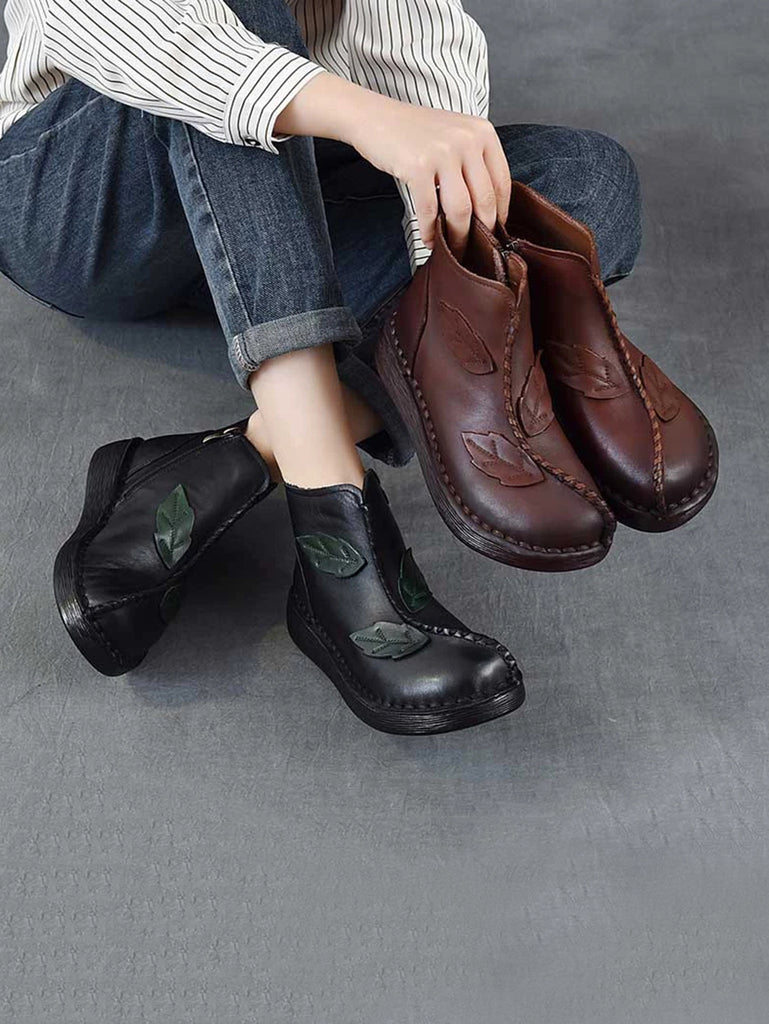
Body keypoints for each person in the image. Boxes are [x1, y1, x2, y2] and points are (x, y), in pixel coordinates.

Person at [0, 0, 649, 735]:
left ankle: (232, 460)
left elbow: (412, 46)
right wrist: (358, 115)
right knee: (236, 44)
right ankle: (328, 511)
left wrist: (442, 266)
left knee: (583, 180)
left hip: (279, 209)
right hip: (85, 200)